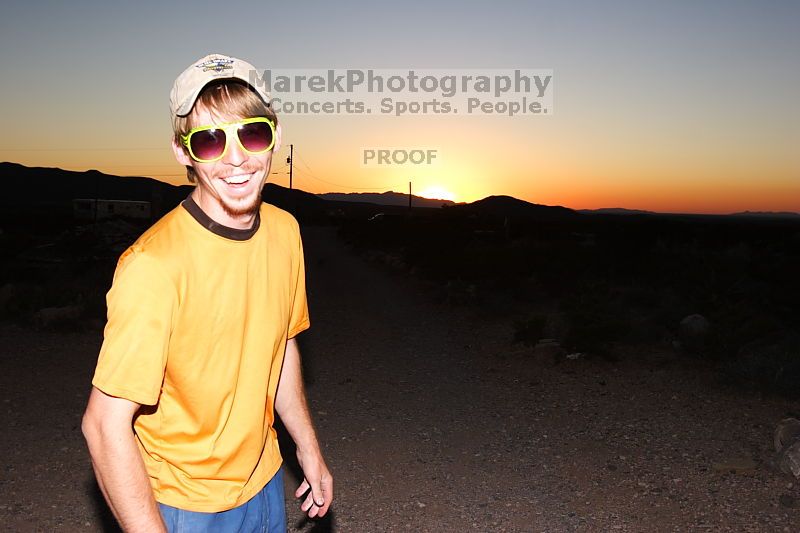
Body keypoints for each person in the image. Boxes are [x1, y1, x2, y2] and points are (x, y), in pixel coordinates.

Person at [81, 53, 332, 532]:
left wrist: (307, 448)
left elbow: (280, 345)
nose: (236, 158)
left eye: (252, 133)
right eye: (211, 140)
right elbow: (103, 424)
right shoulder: (152, 266)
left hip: (265, 484)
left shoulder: (285, 231)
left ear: (274, 136)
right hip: (183, 505)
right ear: (183, 152)